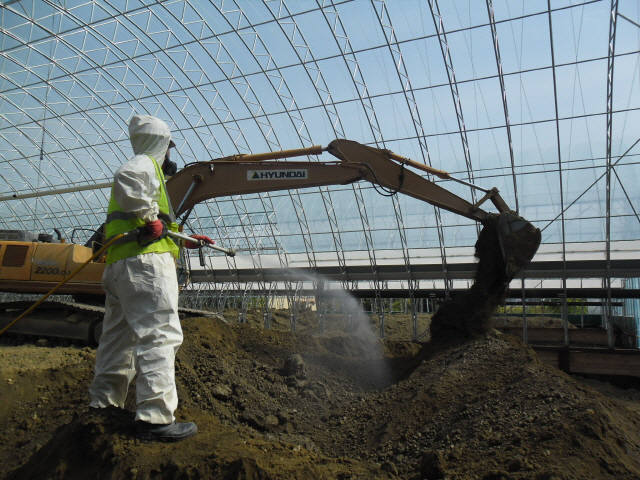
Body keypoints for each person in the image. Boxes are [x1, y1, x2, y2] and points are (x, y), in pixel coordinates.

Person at [89, 114, 213, 442]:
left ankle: (103, 404)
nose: (170, 156)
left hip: (121, 265)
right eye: (169, 148)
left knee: (118, 338)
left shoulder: (152, 174)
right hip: (144, 266)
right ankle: (156, 418)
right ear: (162, 143)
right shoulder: (143, 164)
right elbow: (126, 178)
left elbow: (158, 225)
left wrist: (186, 238)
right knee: (160, 334)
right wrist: (148, 218)